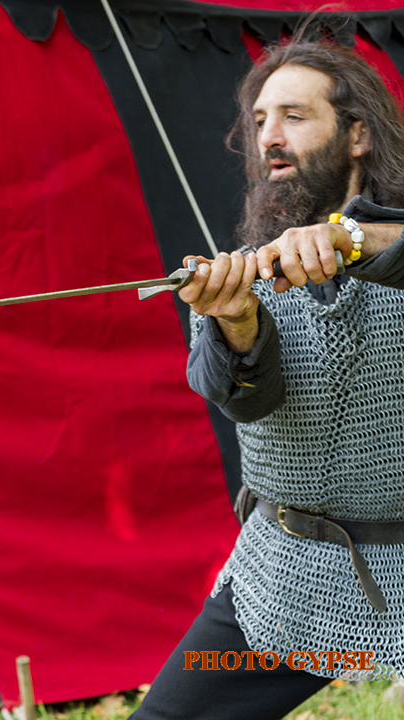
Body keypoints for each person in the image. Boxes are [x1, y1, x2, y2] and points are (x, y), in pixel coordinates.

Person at [131, 36, 404, 720]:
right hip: (288, 572)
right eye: (259, 121)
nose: (268, 137)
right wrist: (236, 321)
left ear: (358, 135)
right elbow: (247, 402)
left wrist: (350, 238)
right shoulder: (242, 276)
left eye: (293, 116)